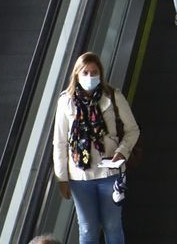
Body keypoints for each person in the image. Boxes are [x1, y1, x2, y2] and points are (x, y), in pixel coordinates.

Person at [52, 52, 139, 244]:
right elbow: (59, 142)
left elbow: (133, 129)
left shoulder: (113, 96)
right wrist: (62, 178)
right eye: (85, 72)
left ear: (101, 73)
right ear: (77, 74)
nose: (90, 77)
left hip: (110, 174)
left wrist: (121, 151)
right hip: (80, 177)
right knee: (87, 228)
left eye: (94, 72)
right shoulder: (66, 101)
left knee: (112, 226)